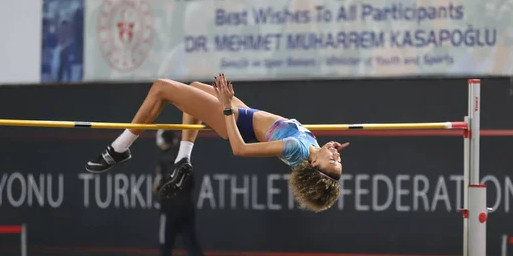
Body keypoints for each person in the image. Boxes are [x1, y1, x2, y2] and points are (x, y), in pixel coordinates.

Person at [85, 73, 349, 212]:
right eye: (339, 162)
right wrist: (327, 151)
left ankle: (118, 149)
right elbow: (321, 157)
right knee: (195, 87)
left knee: (161, 88)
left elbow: (240, 149)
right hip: (245, 113)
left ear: (313, 164)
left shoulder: (297, 149)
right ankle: (183, 160)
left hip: (236, 121)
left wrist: (225, 108)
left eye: (332, 163)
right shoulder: (311, 148)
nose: (337, 157)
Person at [148, 129, 219, 256]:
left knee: (165, 250)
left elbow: (161, 183)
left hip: (169, 208)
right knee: (192, 246)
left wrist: (159, 186)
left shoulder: (163, 157)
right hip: (187, 206)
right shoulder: (183, 157)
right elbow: (191, 182)